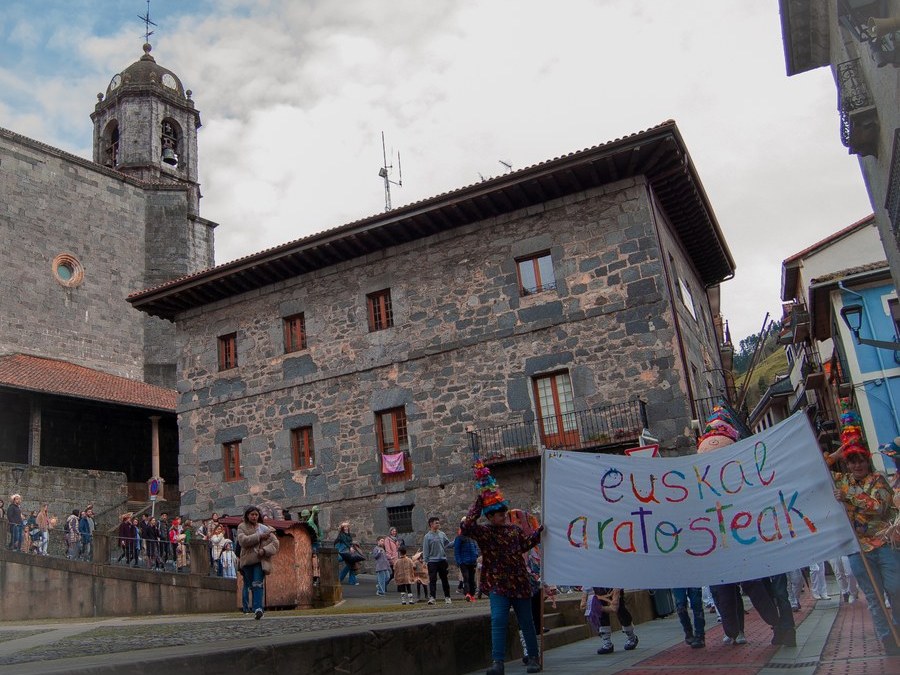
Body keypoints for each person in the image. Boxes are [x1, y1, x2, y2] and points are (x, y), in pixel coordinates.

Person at [826, 439, 900, 656]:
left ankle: (897, 628)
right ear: (847, 464)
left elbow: (879, 506)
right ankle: (888, 639)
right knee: (873, 596)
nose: (857, 466)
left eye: (860, 461)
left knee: (895, 590)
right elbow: (811, 469)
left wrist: (848, 497)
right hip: (858, 548)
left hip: (884, 543)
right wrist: (834, 456)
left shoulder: (878, 479)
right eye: (852, 462)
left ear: (867, 462)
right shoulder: (842, 481)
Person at [461, 493, 543, 675]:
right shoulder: (484, 532)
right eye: (499, 515)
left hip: (520, 582)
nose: (504, 517)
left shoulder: (514, 530)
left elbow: (525, 545)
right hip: (497, 584)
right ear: (489, 517)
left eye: (504, 514)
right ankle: (498, 662)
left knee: (527, 622)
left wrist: (539, 533)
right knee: (498, 621)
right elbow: (466, 526)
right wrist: (479, 503)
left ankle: (533, 657)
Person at [237, 504, 279, 620]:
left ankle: (258, 608)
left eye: (256, 514)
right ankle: (253, 606)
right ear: (247, 515)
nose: (254, 517)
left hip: (260, 561)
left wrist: (265, 550)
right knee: (250, 585)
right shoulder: (242, 527)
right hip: (247, 561)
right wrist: (259, 536)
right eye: (252, 514)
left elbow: (275, 543)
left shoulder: (265, 528)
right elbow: (243, 541)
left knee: (257, 583)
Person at [581, 587, 639, 655]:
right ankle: (607, 642)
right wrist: (586, 601)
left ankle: (631, 637)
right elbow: (583, 604)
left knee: (621, 610)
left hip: (613, 584)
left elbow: (615, 608)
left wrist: (599, 607)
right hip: (599, 586)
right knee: (601, 613)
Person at [422, 516, 452, 605]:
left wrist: (456, 542)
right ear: (431, 524)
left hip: (442, 560)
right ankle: (432, 598)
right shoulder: (427, 537)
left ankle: (447, 597)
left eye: (438, 522)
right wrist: (425, 561)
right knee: (433, 580)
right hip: (432, 561)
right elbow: (426, 549)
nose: (438, 524)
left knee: (444, 579)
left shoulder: (442, 534)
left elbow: (448, 543)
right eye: (436, 523)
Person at [453, 519, 480, 602]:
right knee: (466, 578)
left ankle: (471, 594)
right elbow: (456, 551)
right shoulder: (459, 538)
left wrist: (475, 556)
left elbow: (475, 548)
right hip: (464, 562)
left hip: (472, 561)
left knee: (472, 579)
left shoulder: (472, 538)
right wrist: (459, 562)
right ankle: (467, 593)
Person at [334, 521, 360, 586]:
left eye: (347, 526)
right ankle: (341, 579)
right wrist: (350, 547)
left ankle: (351, 581)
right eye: (344, 527)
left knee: (351, 563)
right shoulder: (341, 534)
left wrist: (353, 544)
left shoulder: (348, 534)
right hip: (342, 551)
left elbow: (349, 541)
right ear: (342, 528)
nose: (346, 528)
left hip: (346, 550)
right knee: (350, 563)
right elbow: (345, 542)